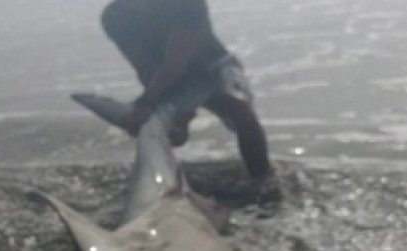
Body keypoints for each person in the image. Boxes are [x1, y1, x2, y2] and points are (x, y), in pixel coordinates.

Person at [101, 0, 278, 194]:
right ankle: (161, 186)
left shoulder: (187, 3)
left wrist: (148, 101)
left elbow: (178, 62)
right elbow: (144, 67)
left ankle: (262, 181)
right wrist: (152, 108)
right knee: (159, 129)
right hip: (167, 77)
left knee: (240, 111)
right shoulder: (115, 16)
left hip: (213, 67)